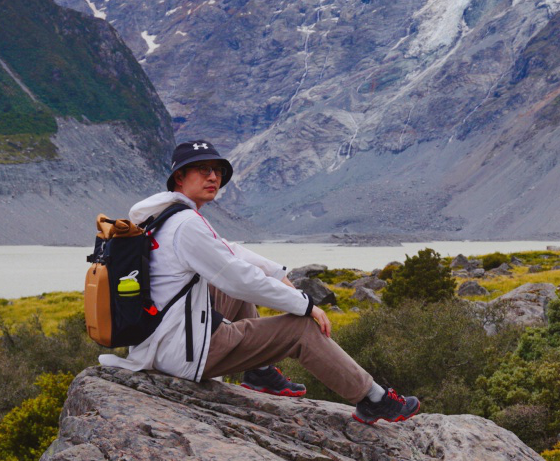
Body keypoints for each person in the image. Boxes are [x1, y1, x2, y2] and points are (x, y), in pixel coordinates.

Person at [98, 139, 419, 424]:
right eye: (201, 170)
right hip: (182, 352)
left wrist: (277, 273)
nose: (213, 177)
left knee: (226, 282)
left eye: (217, 171)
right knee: (300, 329)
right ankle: (373, 400)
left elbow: (228, 252)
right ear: (179, 178)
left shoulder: (162, 217)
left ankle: (259, 372)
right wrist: (305, 305)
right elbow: (237, 279)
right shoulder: (185, 224)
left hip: (164, 339)